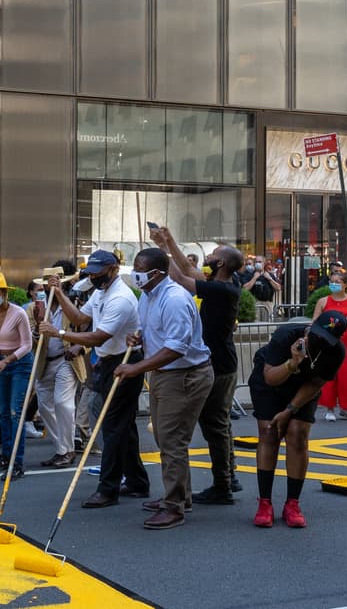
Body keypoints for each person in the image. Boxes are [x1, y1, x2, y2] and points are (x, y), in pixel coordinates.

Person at [114, 247, 213, 530]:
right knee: (165, 438)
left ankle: (174, 506)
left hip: (184, 375)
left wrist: (135, 368)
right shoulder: (148, 296)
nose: (135, 274)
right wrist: (140, 337)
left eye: (140, 269)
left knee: (171, 441)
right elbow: (155, 332)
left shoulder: (175, 299)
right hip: (163, 374)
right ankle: (181, 495)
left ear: (157, 272)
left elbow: (175, 348)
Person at [41, 250, 149, 508]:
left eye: (99, 272)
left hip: (125, 363)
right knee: (123, 427)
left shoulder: (121, 298)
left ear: (113, 269)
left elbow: (97, 337)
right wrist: (59, 294)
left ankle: (108, 488)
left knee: (111, 426)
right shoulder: (101, 293)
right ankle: (137, 481)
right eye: (91, 272)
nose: (94, 276)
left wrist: (59, 333)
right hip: (108, 361)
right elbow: (80, 318)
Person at [151, 227, 244, 503]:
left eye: (214, 255)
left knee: (215, 425)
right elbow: (187, 271)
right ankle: (229, 476)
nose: (208, 257)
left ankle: (223, 485)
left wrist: (160, 253)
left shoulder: (221, 289)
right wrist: (168, 242)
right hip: (220, 362)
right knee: (219, 424)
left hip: (219, 365)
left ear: (222, 263)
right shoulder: (223, 284)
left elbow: (180, 277)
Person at [249, 310, 347, 528]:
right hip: (270, 382)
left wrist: (289, 411)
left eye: (326, 340)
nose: (320, 341)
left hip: (304, 388)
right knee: (269, 432)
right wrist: (292, 363)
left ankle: (292, 503)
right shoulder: (285, 335)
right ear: (312, 325)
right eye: (318, 335)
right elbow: (270, 378)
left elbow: (315, 384)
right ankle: (264, 502)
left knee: (297, 435)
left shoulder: (336, 352)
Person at [0, 272, 33, 481]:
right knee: (3, 413)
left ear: (4, 294)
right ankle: (5, 455)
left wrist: (6, 360)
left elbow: (27, 345)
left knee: (15, 413)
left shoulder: (18, 313)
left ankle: (17, 462)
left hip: (19, 363)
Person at [28, 261, 79, 469]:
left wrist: (79, 347)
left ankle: (67, 449)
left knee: (63, 403)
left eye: (52, 285)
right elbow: (32, 340)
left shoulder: (73, 302)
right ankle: (63, 448)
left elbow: (83, 324)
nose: (48, 289)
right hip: (44, 362)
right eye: (45, 286)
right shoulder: (34, 308)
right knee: (44, 405)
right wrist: (39, 326)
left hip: (66, 360)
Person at [312, 266, 347, 422]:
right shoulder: (323, 301)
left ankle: (346, 408)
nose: (334, 284)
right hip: (328, 342)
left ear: (345, 285)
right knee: (329, 376)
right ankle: (329, 408)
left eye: (337, 282)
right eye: (332, 281)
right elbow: (314, 321)